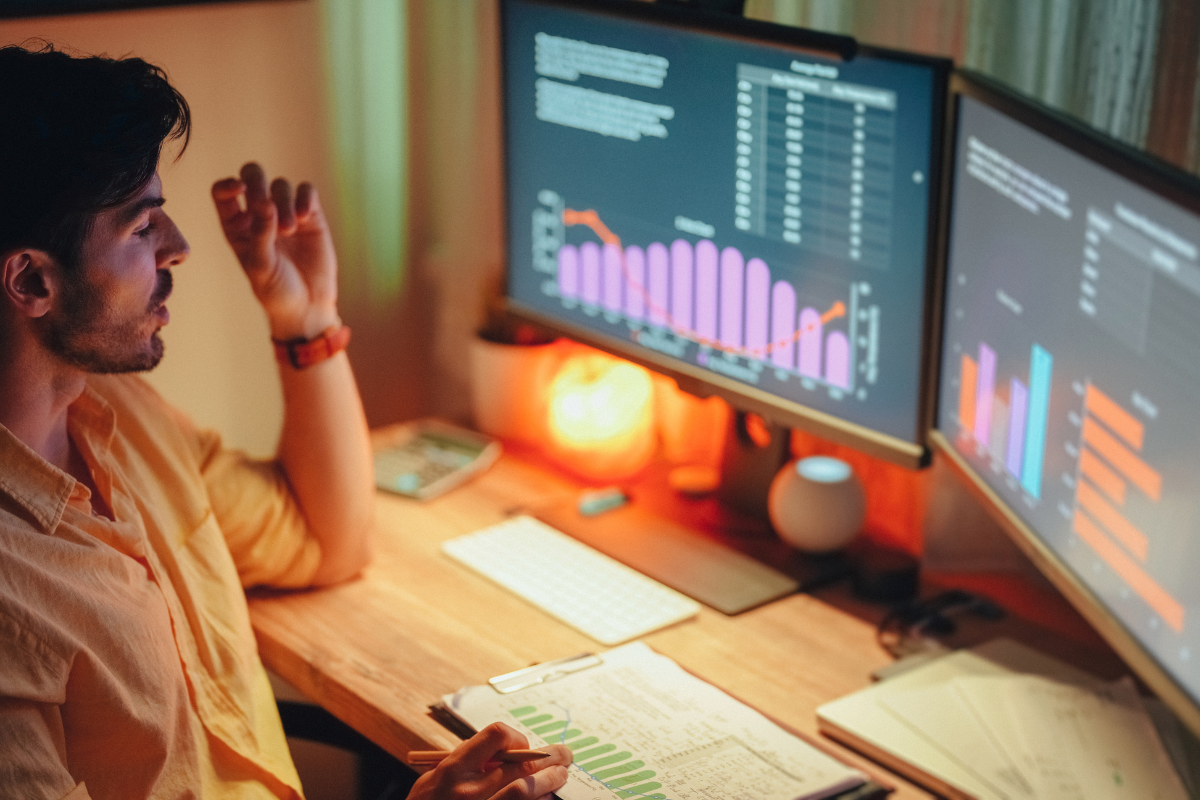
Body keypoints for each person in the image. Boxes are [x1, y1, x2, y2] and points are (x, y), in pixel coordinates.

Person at [0, 43, 571, 800]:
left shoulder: (116, 415)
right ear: (34, 280)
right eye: (142, 230)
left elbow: (322, 541)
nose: (179, 248)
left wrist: (306, 323)